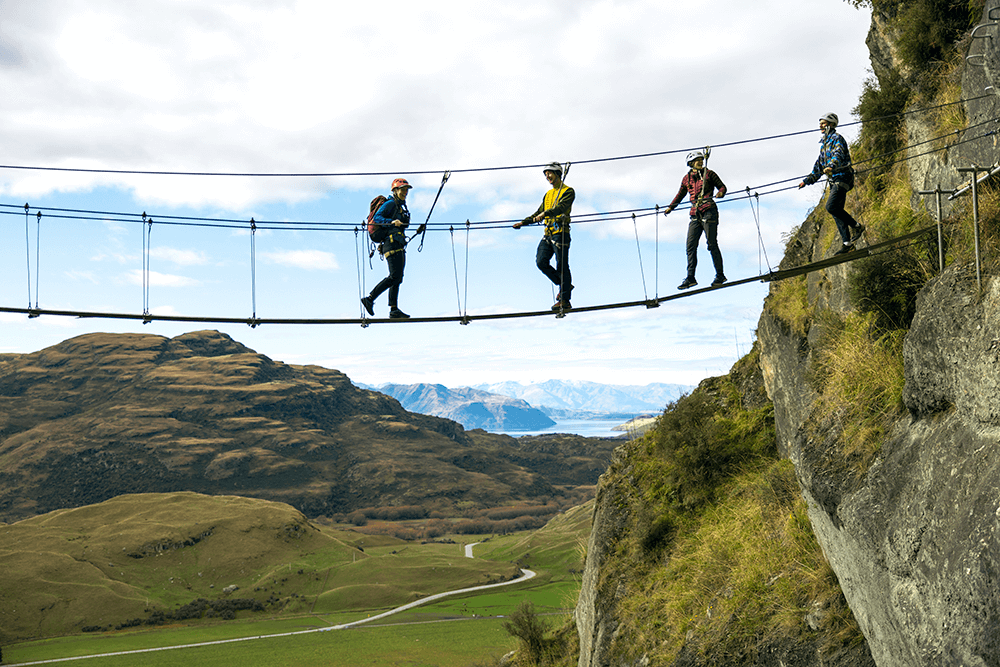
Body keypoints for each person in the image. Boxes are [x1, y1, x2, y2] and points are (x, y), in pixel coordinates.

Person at [799, 112, 865, 255]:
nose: (820, 126)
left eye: (823, 123)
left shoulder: (837, 139)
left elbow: (838, 154)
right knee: (836, 212)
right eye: (820, 123)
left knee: (831, 207)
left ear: (831, 125)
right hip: (834, 180)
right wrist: (807, 181)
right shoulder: (823, 145)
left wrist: (832, 166)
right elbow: (818, 166)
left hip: (843, 177)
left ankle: (856, 226)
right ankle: (847, 244)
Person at [514, 162, 575, 310]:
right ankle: (565, 285)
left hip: (560, 233)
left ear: (558, 174)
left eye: (550, 173)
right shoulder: (548, 195)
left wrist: (545, 214)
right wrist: (523, 222)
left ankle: (565, 300)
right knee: (541, 262)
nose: (547, 176)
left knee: (561, 265)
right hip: (548, 234)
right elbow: (538, 212)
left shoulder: (568, 191)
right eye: (546, 173)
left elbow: (560, 208)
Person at [664, 150, 727, 289]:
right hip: (695, 213)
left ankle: (720, 275)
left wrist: (720, 193)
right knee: (690, 246)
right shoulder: (686, 179)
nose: (700, 162)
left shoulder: (709, 174)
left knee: (711, 244)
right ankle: (690, 278)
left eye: (701, 159)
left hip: (709, 210)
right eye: (697, 160)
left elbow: (722, 186)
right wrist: (670, 208)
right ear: (691, 163)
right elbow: (680, 195)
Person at [361, 178, 414, 319]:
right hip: (391, 244)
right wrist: (391, 222)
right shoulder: (391, 203)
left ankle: (393, 309)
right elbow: (377, 218)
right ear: (395, 190)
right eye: (403, 189)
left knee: (398, 277)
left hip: (398, 244)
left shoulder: (400, 206)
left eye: (406, 190)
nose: (405, 192)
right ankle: (370, 298)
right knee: (394, 276)